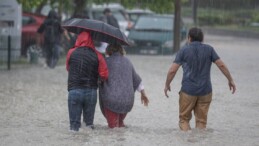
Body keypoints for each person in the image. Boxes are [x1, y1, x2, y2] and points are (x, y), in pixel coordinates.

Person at [164, 27, 236, 131]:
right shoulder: (209, 49)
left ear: (189, 38)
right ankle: (201, 141)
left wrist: (167, 84)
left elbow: (172, 70)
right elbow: (221, 65)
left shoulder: (183, 50)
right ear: (202, 39)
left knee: (184, 120)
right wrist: (230, 80)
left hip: (188, 91)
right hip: (205, 91)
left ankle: (186, 141)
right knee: (201, 122)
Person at [66, 31, 108, 131]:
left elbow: (68, 68)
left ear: (78, 39)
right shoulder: (98, 55)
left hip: (74, 90)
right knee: (88, 126)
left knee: (74, 127)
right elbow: (104, 75)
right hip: (91, 92)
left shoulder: (71, 52)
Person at [99, 44, 149, 128]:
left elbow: (100, 77)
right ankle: (122, 140)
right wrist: (143, 94)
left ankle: (113, 141)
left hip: (111, 100)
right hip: (127, 101)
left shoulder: (105, 62)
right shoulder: (128, 62)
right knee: (120, 126)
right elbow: (136, 79)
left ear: (108, 50)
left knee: (113, 129)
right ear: (121, 50)